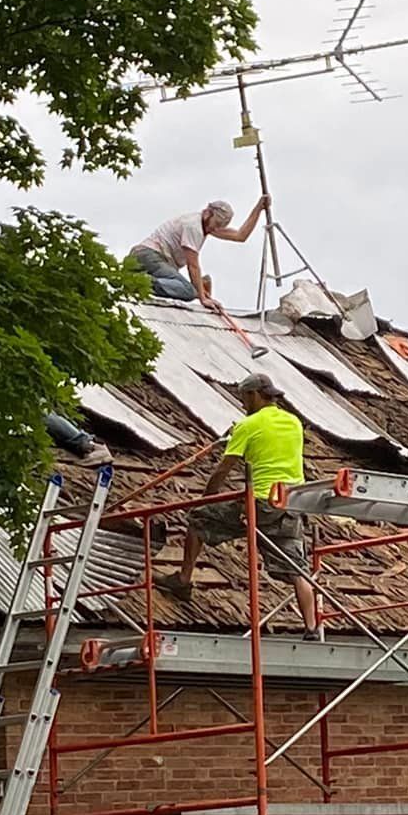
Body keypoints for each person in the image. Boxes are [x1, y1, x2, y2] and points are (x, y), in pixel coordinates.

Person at [157, 372, 319, 634]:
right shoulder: (294, 422)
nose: (243, 404)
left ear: (254, 394)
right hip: (291, 506)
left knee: (199, 518)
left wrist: (206, 499)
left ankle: (183, 579)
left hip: (260, 504)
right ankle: (312, 627)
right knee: (297, 568)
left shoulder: (249, 425)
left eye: (244, 398)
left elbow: (224, 469)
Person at [128, 196, 270, 310]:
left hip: (156, 261)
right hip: (149, 256)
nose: (213, 230)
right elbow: (193, 266)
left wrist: (258, 209)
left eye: (219, 227)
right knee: (188, 291)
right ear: (208, 213)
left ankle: (142, 280)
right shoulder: (193, 226)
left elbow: (240, 236)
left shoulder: (206, 225)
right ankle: (136, 281)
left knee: (190, 288)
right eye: (214, 225)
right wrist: (202, 298)